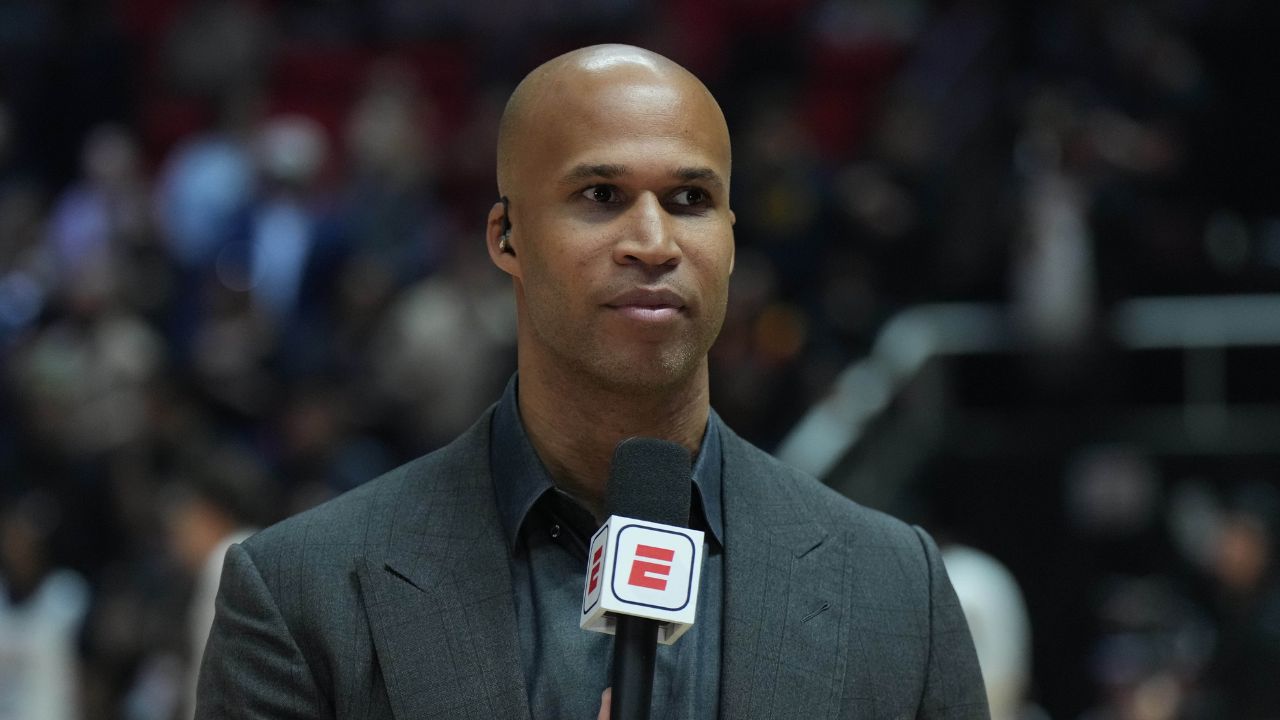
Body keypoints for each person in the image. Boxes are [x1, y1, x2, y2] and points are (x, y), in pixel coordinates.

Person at [195, 44, 989, 720]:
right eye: (601, 196)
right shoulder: (299, 594)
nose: (653, 241)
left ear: (732, 241)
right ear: (506, 237)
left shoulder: (897, 591)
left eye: (690, 199)